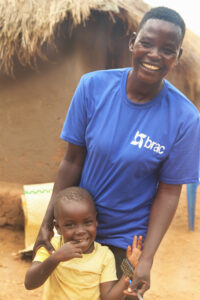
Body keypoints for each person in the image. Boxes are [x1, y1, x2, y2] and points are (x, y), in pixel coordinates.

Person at [33, 6, 200, 298]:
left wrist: (145, 259)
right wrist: (47, 223)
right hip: (80, 228)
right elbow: (72, 160)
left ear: (177, 57)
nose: (154, 55)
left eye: (167, 49)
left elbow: (169, 192)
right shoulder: (93, 87)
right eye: (147, 43)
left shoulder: (185, 118)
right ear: (133, 42)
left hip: (128, 240)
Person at [25, 187, 143, 299]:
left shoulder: (105, 256)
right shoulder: (52, 247)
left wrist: (129, 269)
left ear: (96, 222)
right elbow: (29, 283)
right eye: (70, 225)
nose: (80, 231)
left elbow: (108, 297)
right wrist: (56, 257)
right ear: (58, 227)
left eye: (87, 222)